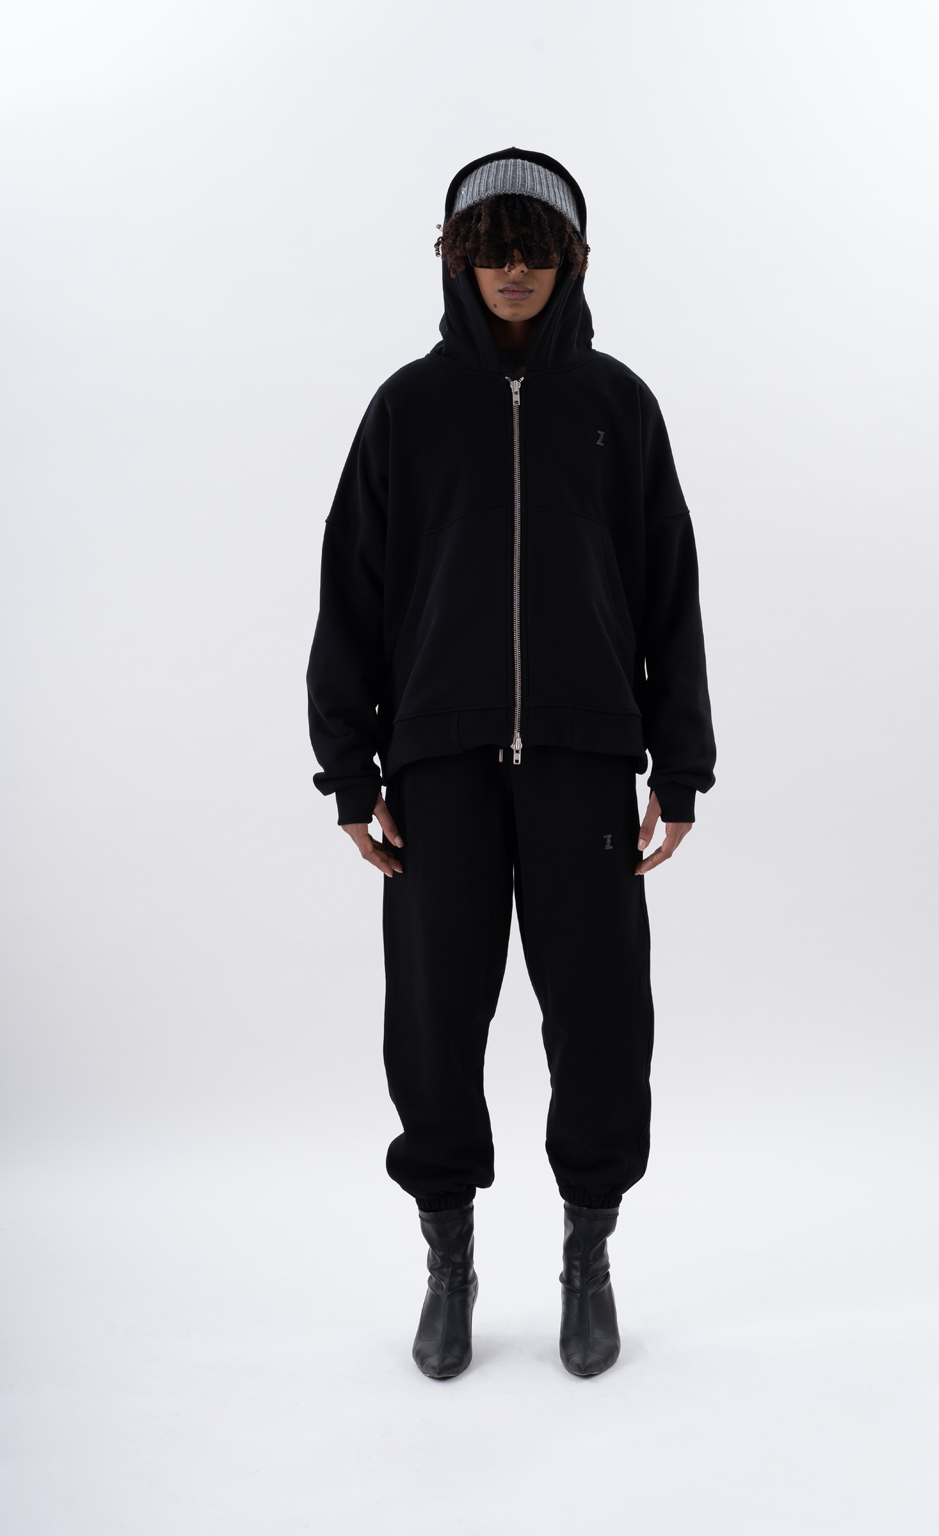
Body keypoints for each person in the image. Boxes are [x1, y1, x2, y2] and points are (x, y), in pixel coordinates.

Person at [306, 148, 716, 1380]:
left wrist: (679, 764)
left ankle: (588, 1256)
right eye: (492, 251)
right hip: (439, 766)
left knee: (599, 1016)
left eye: (536, 250)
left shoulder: (618, 406)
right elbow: (351, 591)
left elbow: (668, 588)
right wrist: (351, 769)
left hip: (584, 762)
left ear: (572, 261)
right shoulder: (407, 410)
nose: (515, 271)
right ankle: (449, 1260)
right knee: (435, 1020)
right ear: (457, 260)